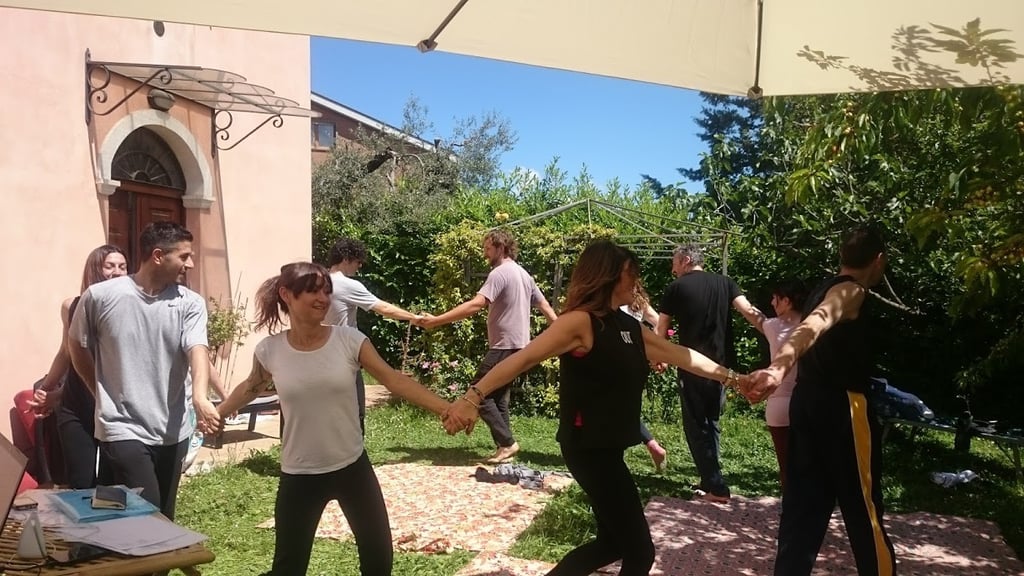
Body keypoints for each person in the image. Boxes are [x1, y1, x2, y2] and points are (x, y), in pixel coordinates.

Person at [446, 240, 747, 576]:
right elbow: (522, 359)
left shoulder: (629, 327)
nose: (637, 282)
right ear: (609, 277)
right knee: (640, 552)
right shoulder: (579, 322)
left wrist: (734, 378)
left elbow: (681, 355)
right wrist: (473, 398)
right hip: (588, 448)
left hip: (609, 446)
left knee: (613, 543)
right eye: (631, 274)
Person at [216, 262, 461, 576]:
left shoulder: (349, 340)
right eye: (313, 290)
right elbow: (250, 387)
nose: (323, 298)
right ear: (286, 294)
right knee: (288, 568)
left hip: (352, 468)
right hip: (299, 474)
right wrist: (216, 413)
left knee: (378, 562)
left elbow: (393, 380)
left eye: (326, 291)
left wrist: (446, 408)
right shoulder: (270, 351)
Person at [746, 227, 896, 576]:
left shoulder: (820, 288)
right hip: (843, 408)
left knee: (803, 510)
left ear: (842, 256)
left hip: (807, 403)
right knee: (864, 511)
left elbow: (808, 326)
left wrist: (778, 370)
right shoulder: (851, 291)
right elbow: (813, 325)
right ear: (879, 260)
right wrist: (778, 369)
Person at [68, 222, 219, 518]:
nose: (190, 264)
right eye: (184, 256)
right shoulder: (100, 296)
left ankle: (128, 560)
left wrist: (201, 398)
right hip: (121, 425)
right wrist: (98, 392)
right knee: (149, 511)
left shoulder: (190, 303)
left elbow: (197, 349)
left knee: (156, 509)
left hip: (172, 428)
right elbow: (77, 347)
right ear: (159, 255)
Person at [419, 229, 558, 463]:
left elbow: (476, 304)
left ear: (500, 247)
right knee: (497, 398)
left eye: (488, 249)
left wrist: (436, 321)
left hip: (504, 346)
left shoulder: (500, 273)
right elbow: (544, 305)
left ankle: (507, 443)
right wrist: (562, 332)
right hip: (520, 346)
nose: (485, 254)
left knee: (478, 393)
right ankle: (504, 448)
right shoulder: (524, 274)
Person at [655, 244, 765, 502]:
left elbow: (661, 328)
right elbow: (749, 311)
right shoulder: (726, 283)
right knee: (711, 422)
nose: (673, 269)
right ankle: (710, 480)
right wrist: (776, 330)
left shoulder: (676, 288)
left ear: (685, 260)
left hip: (692, 365)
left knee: (695, 425)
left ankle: (717, 488)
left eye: (674, 263)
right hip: (722, 369)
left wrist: (660, 358)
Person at [30, 245, 128, 488]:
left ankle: (112, 527)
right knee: (80, 483)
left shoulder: (131, 309)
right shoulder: (71, 306)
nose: (117, 272)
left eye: (123, 267)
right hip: (76, 405)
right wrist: (46, 388)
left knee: (111, 485)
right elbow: (66, 352)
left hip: (115, 408)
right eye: (110, 266)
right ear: (95, 269)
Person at [325, 237, 423, 431]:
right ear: (346, 259)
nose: (359, 267)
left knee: (329, 411)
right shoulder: (347, 285)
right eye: (358, 261)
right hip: (345, 355)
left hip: (321, 353)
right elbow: (383, 308)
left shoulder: (319, 281)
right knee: (355, 411)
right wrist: (414, 317)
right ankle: (354, 455)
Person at [752, 280, 806, 489]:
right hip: (807, 401)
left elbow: (752, 315)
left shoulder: (773, 327)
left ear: (787, 301)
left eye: (776, 298)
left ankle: (790, 510)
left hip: (779, 405)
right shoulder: (813, 327)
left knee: (786, 467)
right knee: (810, 462)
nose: (772, 302)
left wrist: (733, 294)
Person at [621, 285, 668, 472]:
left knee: (616, 408)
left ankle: (651, 444)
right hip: (638, 361)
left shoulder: (615, 303)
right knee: (627, 407)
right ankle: (651, 444)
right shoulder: (640, 303)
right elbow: (659, 323)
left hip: (617, 360)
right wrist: (655, 350)